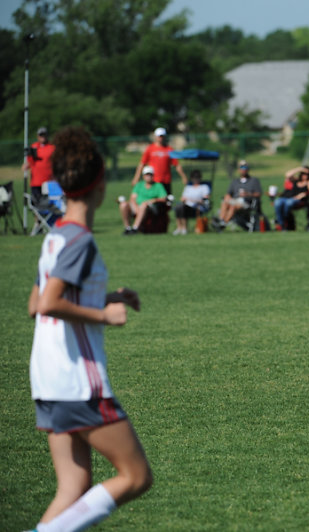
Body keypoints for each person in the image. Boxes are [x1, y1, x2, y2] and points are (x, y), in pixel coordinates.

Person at [26, 126, 152, 532]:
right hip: (78, 382)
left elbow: (35, 303)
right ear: (100, 185)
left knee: (73, 488)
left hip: (46, 379)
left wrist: (106, 296)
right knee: (136, 476)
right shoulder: (80, 241)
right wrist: (104, 316)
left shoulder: (55, 237)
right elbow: (49, 304)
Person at [131, 127, 187, 196]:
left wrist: (183, 177)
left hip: (166, 180)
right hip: (154, 181)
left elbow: (177, 165)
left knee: (167, 200)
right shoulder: (150, 149)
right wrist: (136, 178)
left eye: (162, 136)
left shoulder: (169, 149)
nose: (161, 138)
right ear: (156, 137)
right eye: (159, 136)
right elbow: (142, 164)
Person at [118, 165, 168, 235]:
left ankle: (135, 228)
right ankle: (127, 228)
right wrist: (135, 207)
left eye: (150, 175)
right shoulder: (139, 185)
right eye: (147, 175)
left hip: (150, 207)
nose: (148, 177)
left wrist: (154, 200)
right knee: (123, 204)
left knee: (144, 205)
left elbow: (164, 198)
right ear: (143, 176)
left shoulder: (158, 185)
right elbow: (132, 198)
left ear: (153, 175)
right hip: (137, 206)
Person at [213, 160, 262, 229]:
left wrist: (248, 194)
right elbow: (228, 193)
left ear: (248, 169)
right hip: (234, 200)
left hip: (246, 203)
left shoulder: (254, 180)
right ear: (239, 169)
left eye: (245, 167)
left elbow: (258, 193)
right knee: (225, 202)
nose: (243, 169)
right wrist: (228, 197)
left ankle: (223, 224)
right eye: (241, 167)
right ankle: (221, 221)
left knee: (233, 206)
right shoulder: (235, 181)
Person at [274, 165, 309, 230]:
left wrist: (304, 194)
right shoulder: (296, 180)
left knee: (289, 203)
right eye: (303, 173)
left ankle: (286, 220)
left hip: (300, 200)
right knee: (277, 202)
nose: (305, 175)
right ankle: (281, 223)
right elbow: (287, 175)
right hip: (288, 198)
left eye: (306, 174)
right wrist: (299, 169)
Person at [22, 126, 56, 204]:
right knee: (36, 205)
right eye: (41, 135)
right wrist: (26, 165)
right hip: (36, 182)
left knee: (49, 205)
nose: (43, 137)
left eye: (44, 135)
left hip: (48, 182)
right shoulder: (34, 147)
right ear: (38, 136)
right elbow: (30, 162)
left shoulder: (52, 148)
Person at [172, 169, 210, 235]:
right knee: (179, 207)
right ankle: (179, 227)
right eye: (194, 178)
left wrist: (192, 200)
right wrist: (188, 200)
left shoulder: (204, 187)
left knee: (183, 208)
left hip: (197, 207)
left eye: (197, 178)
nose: (196, 179)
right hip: (186, 205)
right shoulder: (188, 187)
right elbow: (182, 198)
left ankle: (184, 228)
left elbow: (205, 199)